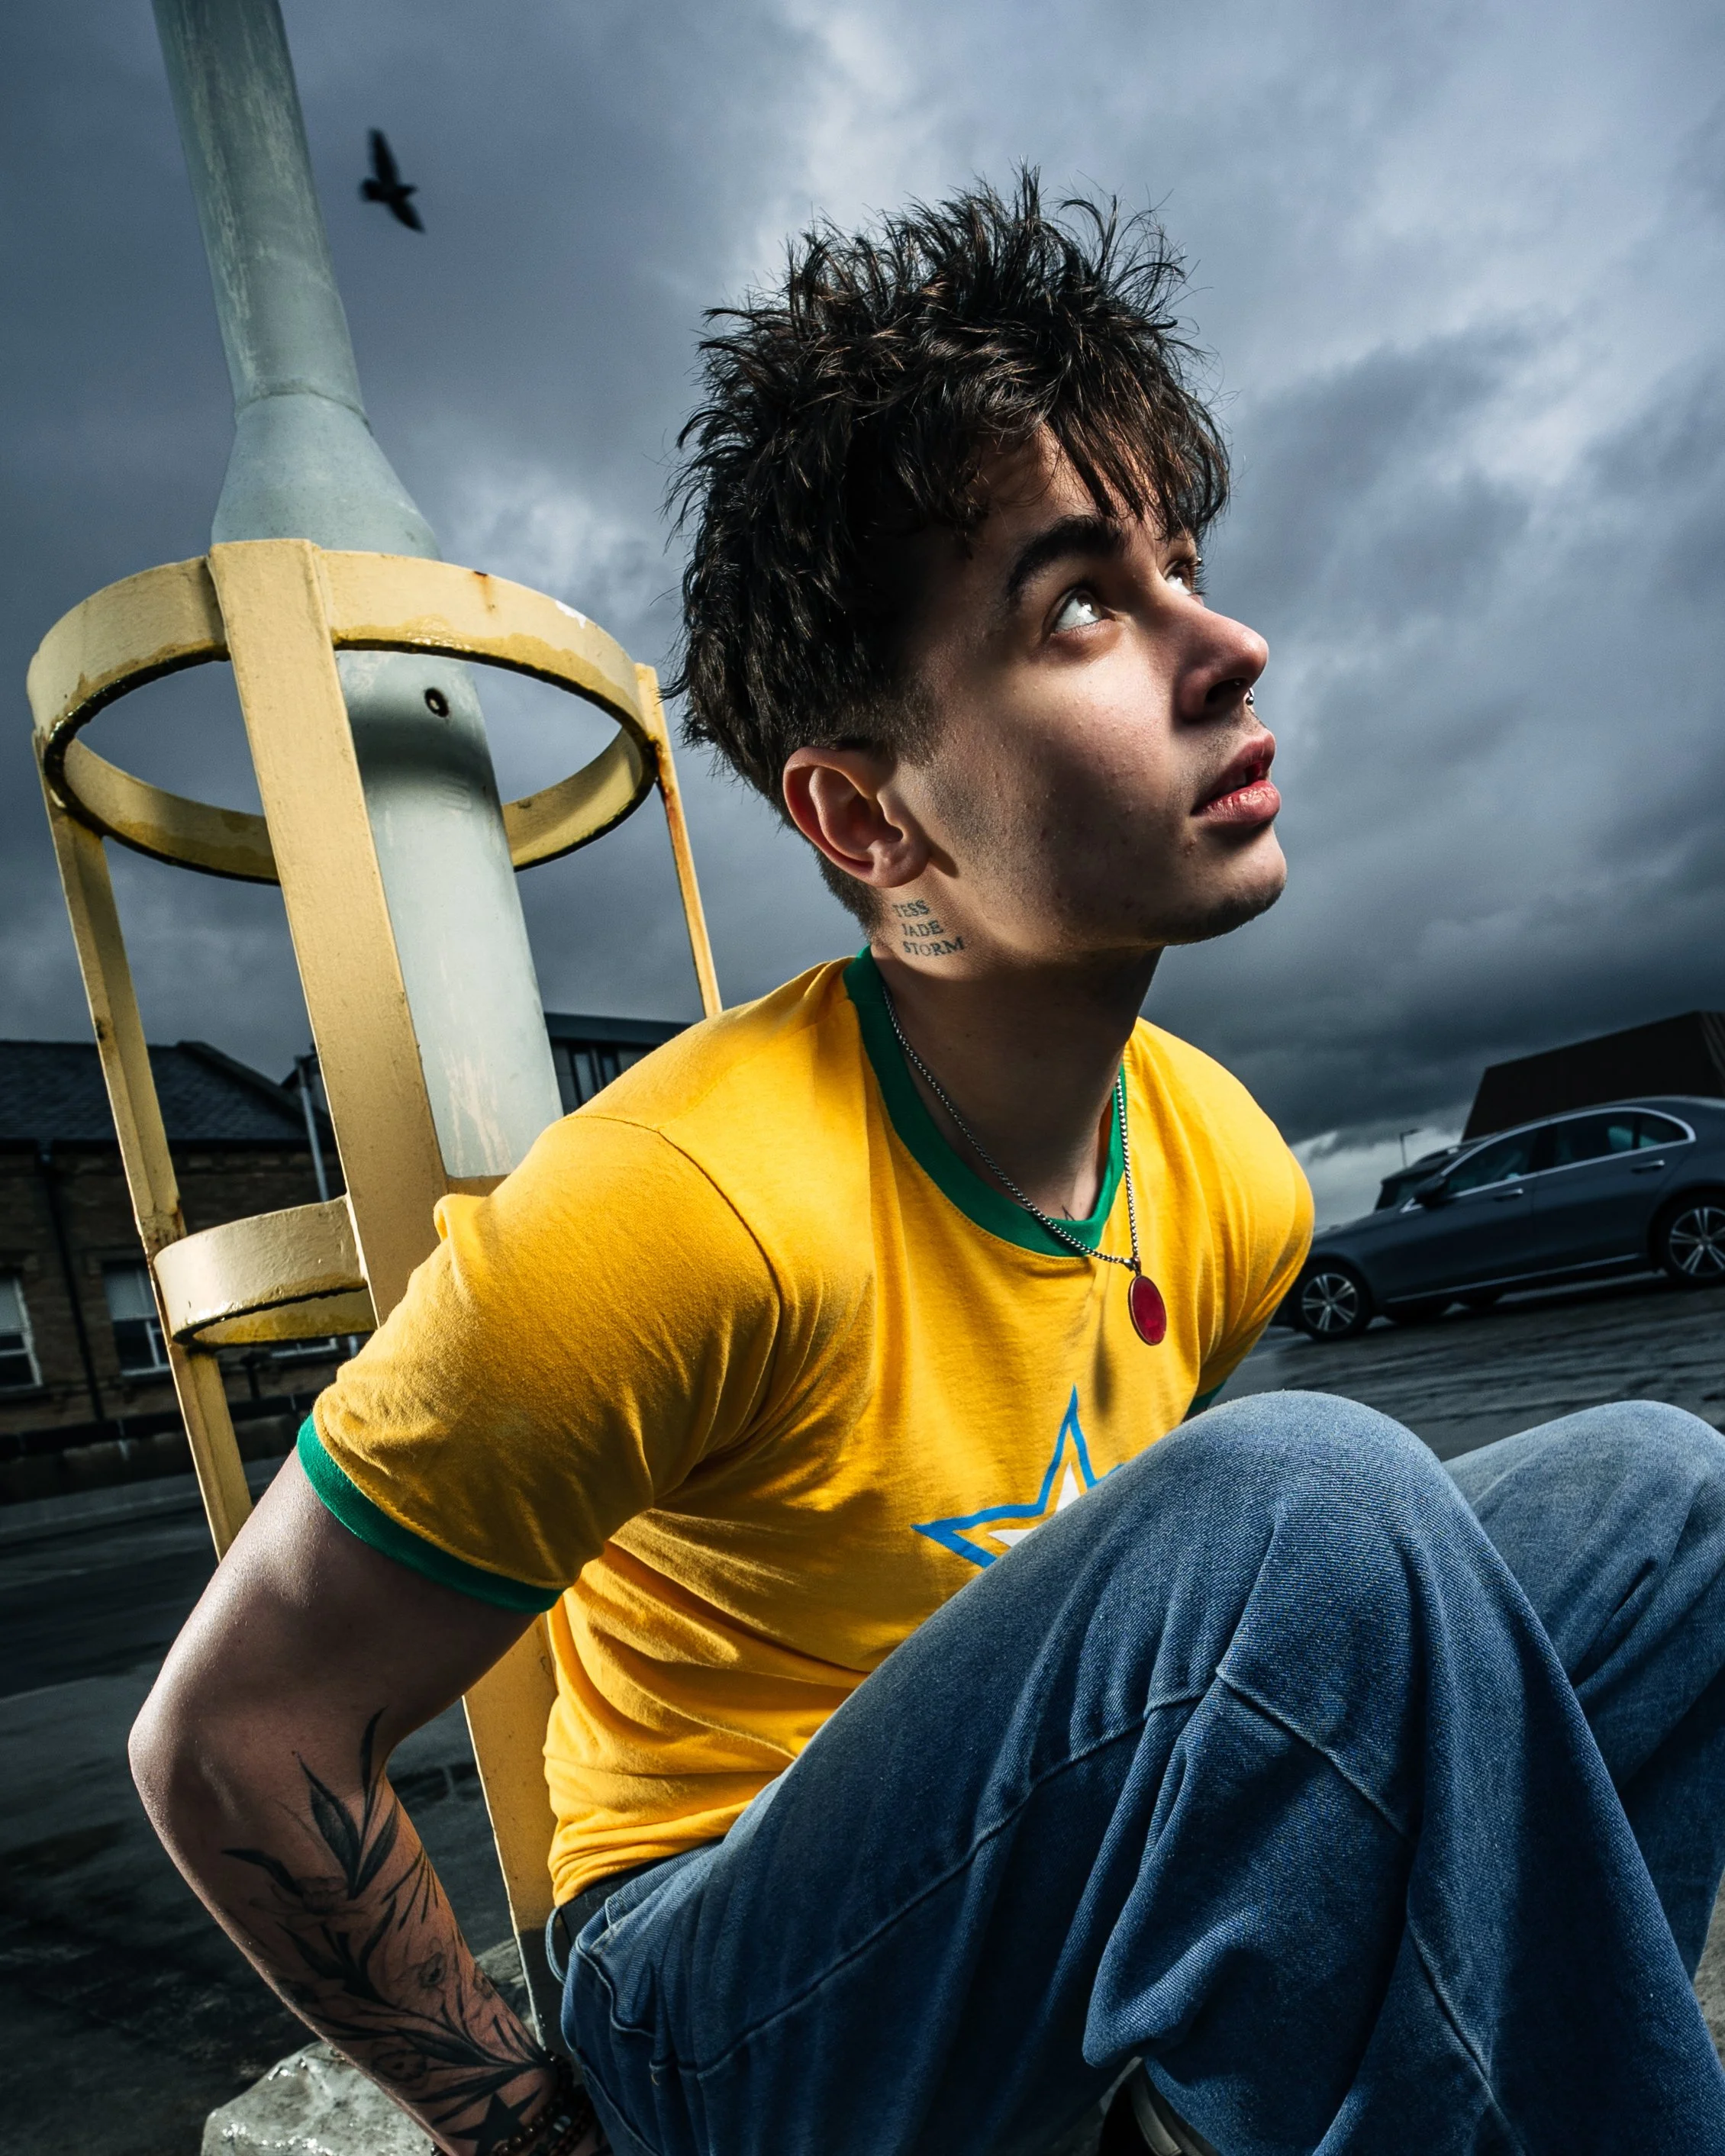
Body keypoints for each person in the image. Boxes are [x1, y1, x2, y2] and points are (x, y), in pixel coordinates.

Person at [131, 178, 1725, 2156]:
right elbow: (234, 1733)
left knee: (1663, 1504)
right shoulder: (676, 1206)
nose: (1230, 648)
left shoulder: (1228, 1165)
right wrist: (534, 2136)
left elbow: (1162, 1633)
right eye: (1082, 607)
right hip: (720, 1988)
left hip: (1035, 1892)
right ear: (868, 821)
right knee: (1310, 1503)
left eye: (1183, 568)